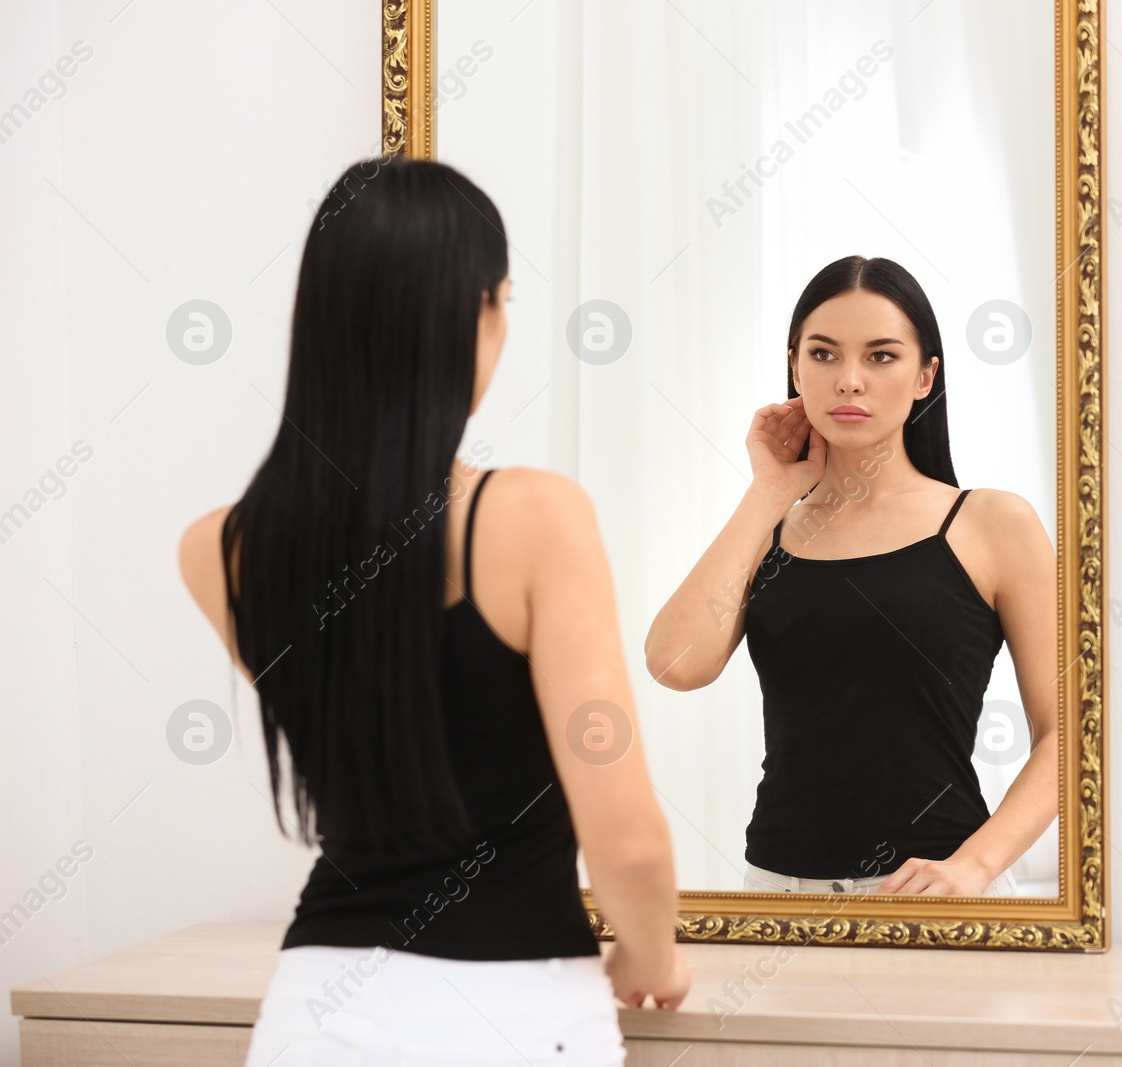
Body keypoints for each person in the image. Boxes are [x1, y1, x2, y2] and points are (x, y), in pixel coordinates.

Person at [178, 157, 688, 1066]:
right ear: (477, 315)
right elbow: (628, 840)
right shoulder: (534, 516)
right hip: (517, 1016)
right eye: (504, 302)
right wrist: (652, 957)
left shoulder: (221, 548)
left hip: (311, 1013)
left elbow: (371, 726)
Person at [644, 255, 1060, 897]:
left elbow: (1073, 733)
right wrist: (768, 492)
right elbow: (675, 663)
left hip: (934, 891)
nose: (849, 381)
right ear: (794, 368)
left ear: (926, 376)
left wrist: (975, 866)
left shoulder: (990, 523)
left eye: (882, 356)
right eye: (825, 354)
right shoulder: (769, 529)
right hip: (777, 892)